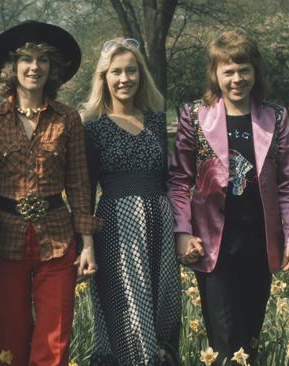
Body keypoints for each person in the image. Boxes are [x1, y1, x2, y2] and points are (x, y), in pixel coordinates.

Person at [167, 30, 289, 365]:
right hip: (215, 246)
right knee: (228, 344)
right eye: (227, 71)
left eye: (244, 69)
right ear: (215, 74)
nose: (237, 78)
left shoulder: (275, 116)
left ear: (255, 72)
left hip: (260, 243)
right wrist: (183, 232)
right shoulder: (195, 116)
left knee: (251, 342)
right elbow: (178, 180)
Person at [0, 21, 102, 366]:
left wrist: (87, 243)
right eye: (26, 59)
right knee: (8, 336)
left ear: (53, 68)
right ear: (12, 68)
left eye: (43, 60)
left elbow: (78, 184)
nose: (35, 67)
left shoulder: (68, 119)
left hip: (57, 238)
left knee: (54, 337)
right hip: (5, 236)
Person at [80, 38, 181, 365]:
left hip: (160, 228)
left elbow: (170, 178)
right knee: (129, 311)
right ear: (104, 78)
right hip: (117, 231)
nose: (125, 79)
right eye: (116, 72)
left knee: (162, 306)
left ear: (141, 75)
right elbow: (85, 188)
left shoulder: (154, 119)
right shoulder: (93, 127)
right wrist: (85, 243)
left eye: (131, 71)